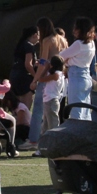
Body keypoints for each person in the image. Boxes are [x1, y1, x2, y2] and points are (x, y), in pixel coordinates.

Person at [26, 17, 67, 147]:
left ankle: (34, 139)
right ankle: (50, 139)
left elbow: (43, 62)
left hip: (48, 77)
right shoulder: (62, 39)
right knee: (53, 111)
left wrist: (35, 79)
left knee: (39, 109)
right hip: (61, 78)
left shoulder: (47, 40)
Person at [58, 18, 96, 120]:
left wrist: (67, 60)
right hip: (86, 76)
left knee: (75, 110)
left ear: (80, 30)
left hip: (76, 76)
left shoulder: (78, 44)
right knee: (86, 110)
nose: (74, 30)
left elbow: (60, 57)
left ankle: (76, 135)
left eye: (76, 28)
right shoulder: (91, 43)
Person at [9, 26, 39, 111]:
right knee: (25, 108)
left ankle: (16, 122)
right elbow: (28, 65)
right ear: (34, 35)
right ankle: (23, 123)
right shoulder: (29, 46)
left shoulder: (20, 45)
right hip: (24, 78)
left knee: (17, 106)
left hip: (14, 76)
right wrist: (35, 77)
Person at [36, 55, 66, 133]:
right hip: (49, 101)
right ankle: (44, 142)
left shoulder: (56, 75)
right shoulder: (59, 73)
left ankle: (54, 143)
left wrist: (46, 68)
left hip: (51, 101)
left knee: (53, 126)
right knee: (45, 125)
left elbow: (40, 79)